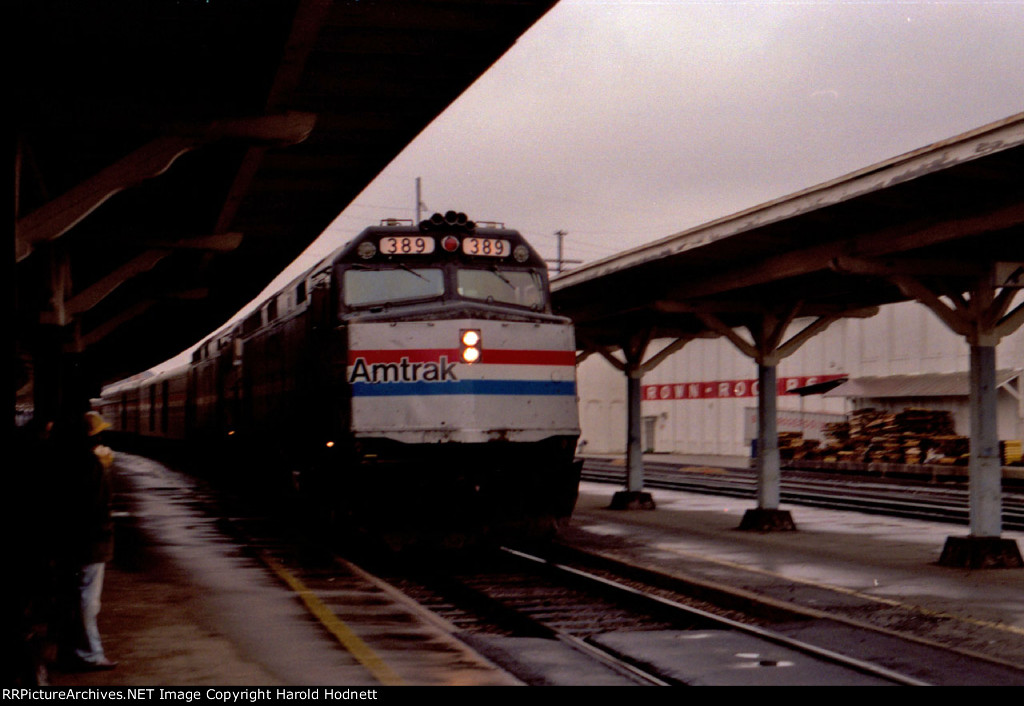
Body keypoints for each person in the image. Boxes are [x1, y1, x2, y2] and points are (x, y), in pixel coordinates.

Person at [52, 411, 117, 672]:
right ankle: (90, 653)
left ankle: (72, 649)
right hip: (91, 544)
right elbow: (97, 506)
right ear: (92, 436)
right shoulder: (91, 465)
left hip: (75, 542)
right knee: (89, 600)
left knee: (76, 598)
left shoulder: (67, 460)